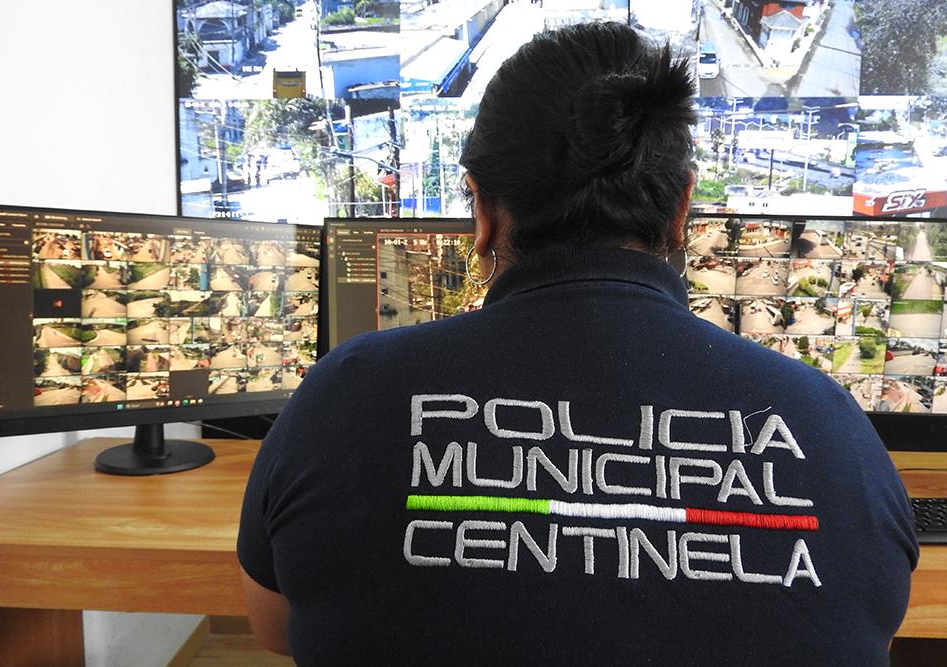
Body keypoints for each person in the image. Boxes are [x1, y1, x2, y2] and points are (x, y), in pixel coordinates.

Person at [238, 22, 917, 665]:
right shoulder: (827, 421)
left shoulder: (345, 393)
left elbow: (272, 629)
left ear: (482, 210)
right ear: (681, 211)